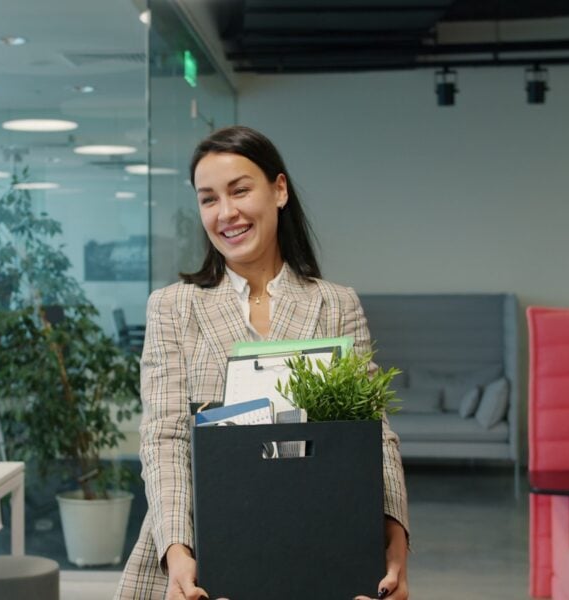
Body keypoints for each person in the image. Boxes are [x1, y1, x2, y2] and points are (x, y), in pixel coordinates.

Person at [114, 126, 410, 600]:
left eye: (239, 191)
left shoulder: (335, 305)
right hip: (201, 552)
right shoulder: (173, 307)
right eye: (208, 199)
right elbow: (164, 439)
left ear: (279, 190)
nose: (225, 213)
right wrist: (177, 551)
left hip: (322, 544)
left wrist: (395, 543)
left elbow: (372, 434)